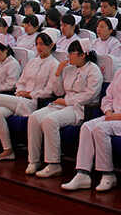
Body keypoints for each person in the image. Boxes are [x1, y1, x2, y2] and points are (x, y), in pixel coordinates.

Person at [61, 34, 121, 192]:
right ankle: (83, 173)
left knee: (100, 129)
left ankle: (108, 174)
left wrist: (119, 115)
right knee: (86, 127)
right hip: (112, 116)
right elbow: (108, 96)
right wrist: (108, 110)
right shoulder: (120, 71)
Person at [0, 29, 60, 161]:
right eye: (37, 44)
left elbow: (49, 90)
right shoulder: (32, 62)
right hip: (20, 98)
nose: (39, 47)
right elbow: (21, 81)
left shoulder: (54, 65)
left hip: (34, 102)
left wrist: (29, 94)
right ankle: (7, 150)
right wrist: (20, 91)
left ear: (51, 45)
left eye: (43, 44)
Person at [27, 38, 103, 178]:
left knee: (50, 121)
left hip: (79, 108)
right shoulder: (69, 69)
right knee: (34, 117)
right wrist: (58, 72)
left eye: (71, 53)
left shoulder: (94, 70)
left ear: (82, 55)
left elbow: (89, 95)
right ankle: (34, 160)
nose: (68, 57)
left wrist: (67, 101)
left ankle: (54, 164)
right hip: (62, 104)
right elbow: (58, 92)